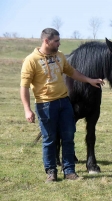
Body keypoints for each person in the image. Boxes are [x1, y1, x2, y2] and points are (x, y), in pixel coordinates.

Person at [20, 28, 105, 183]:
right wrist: (27, 109)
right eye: (56, 41)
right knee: (49, 139)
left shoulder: (60, 56)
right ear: (46, 41)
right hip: (45, 105)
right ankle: (51, 172)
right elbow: (24, 87)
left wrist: (90, 80)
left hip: (64, 102)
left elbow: (72, 72)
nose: (59, 43)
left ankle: (69, 171)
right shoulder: (31, 60)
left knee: (68, 137)